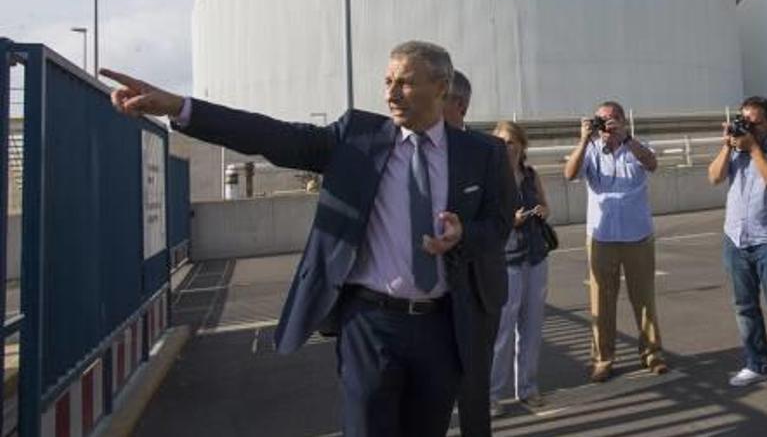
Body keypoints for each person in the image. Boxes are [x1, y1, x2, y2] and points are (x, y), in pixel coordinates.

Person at [100, 41, 514, 437]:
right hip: (371, 324)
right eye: (387, 81)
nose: (392, 93)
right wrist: (179, 107)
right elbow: (270, 135)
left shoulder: (481, 154)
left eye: (405, 82)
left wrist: (464, 236)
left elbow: (499, 225)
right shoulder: (356, 137)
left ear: (441, 87)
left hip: (443, 326)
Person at [563, 101, 668, 382]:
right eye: (600, 120)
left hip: (638, 236)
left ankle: (652, 353)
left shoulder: (635, 146)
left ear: (622, 121)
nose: (606, 125)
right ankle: (602, 359)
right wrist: (585, 139)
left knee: (643, 298)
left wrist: (626, 139)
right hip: (602, 237)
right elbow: (570, 174)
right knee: (601, 302)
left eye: (611, 120)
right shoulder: (592, 149)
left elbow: (653, 164)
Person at [708, 96, 767, 398]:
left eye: (755, 122)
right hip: (735, 238)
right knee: (745, 307)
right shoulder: (734, 146)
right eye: (745, 120)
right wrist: (727, 145)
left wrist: (755, 149)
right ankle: (756, 362)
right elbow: (713, 177)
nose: (749, 127)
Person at [444, 68, 506, 435]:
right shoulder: (406, 152)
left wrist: (463, 233)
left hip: (477, 291)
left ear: (460, 105)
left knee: (472, 392)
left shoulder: (490, 152)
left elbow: (499, 225)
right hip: (423, 295)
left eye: (440, 97)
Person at [489, 120, 552, 416]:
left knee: (532, 325)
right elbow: (487, 221)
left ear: (522, 146)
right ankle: (491, 393)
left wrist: (541, 210)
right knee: (502, 328)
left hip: (536, 256)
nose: (506, 148)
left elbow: (546, 206)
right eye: (501, 142)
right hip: (508, 258)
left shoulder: (530, 175)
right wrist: (509, 221)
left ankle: (527, 387)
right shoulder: (491, 178)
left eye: (511, 142)